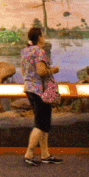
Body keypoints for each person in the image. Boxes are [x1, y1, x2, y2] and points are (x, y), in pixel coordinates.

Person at [20, 25, 63, 166]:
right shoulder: (39, 51)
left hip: (29, 88)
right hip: (40, 91)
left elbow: (22, 71)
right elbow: (41, 71)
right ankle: (29, 153)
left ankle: (45, 154)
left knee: (43, 123)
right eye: (43, 35)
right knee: (41, 123)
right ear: (39, 37)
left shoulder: (25, 51)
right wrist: (53, 70)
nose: (44, 38)